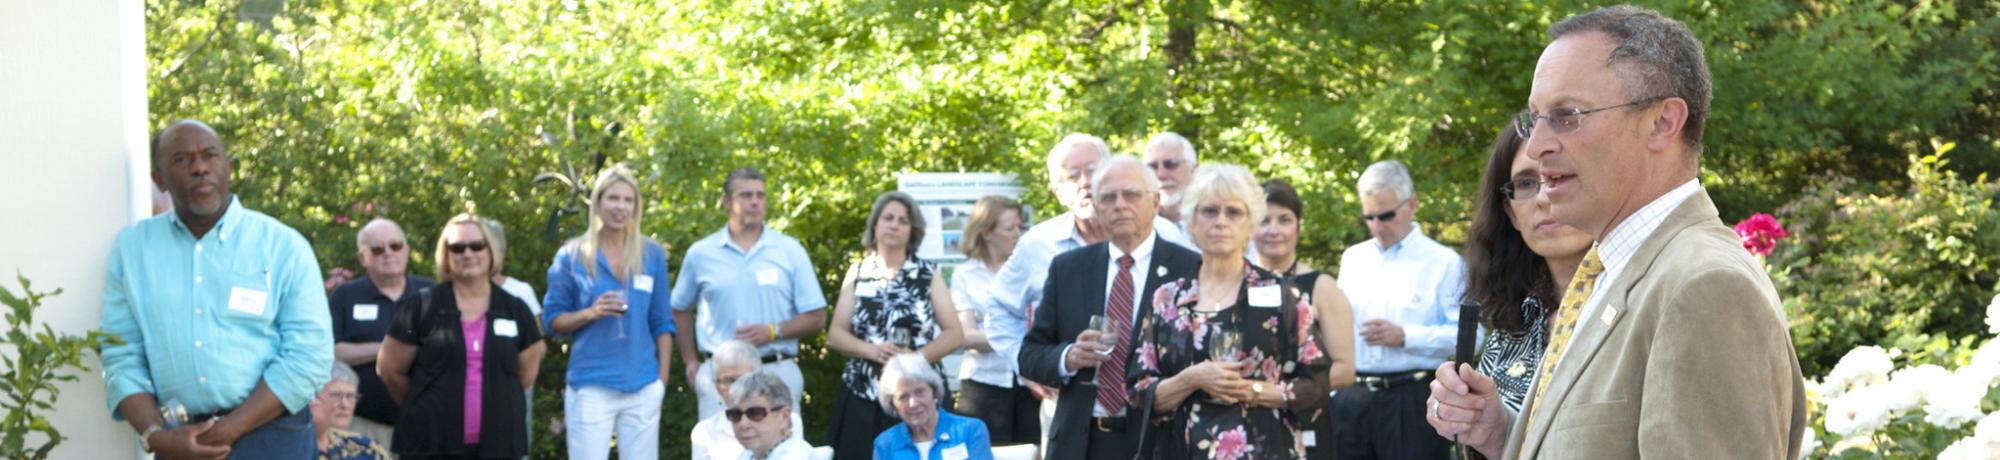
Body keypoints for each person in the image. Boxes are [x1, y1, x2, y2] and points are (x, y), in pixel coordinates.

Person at [1430, 6, 1808, 459]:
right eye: (1537, 119)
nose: (1537, 145)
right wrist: (1504, 436)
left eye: (1567, 115)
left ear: (1662, 122)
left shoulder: (1705, 285)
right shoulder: (1615, 270)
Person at [101, 119, 334, 459]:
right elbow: (120, 354)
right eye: (182, 159)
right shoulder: (133, 250)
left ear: (229, 168)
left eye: (209, 156)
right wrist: (154, 435)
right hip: (177, 443)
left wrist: (228, 429)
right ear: (159, 179)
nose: (199, 168)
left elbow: (309, 356)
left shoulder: (283, 246)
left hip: (273, 438)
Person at [984, 135, 1192, 451]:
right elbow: (1017, 332)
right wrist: (1058, 360)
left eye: (1130, 194)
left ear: (1153, 202)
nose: (1119, 204)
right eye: (1072, 176)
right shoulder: (1053, 257)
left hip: (1159, 432)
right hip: (1077, 430)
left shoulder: (1180, 256)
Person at [1127, 163, 1331, 458]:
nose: (1221, 221)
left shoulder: (1284, 296)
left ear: (1250, 225)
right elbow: (1138, 391)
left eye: (1233, 212)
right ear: (1192, 223)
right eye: (1209, 211)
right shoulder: (1166, 299)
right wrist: (1192, 378)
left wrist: (1251, 391)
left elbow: (1316, 385)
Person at [1422, 128, 1593, 452]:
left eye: (1559, 176)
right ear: (1511, 212)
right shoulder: (1513, 325)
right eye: (1527, 183)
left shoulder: (1638, 304)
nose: (1544, 197)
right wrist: (1489, 434)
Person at [378, 213, 547, 459]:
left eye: (477, 245)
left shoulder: (516, 309)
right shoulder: (421, 307)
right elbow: (389, 369)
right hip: (430, 444)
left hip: (499, 444)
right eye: (457, 248)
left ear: (491, 251)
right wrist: (425, 406)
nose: (467, 254)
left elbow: (525, 374)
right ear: (446, 256)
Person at [1329, 159, 1466, 459]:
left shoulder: (1443, 262)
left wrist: (1406, 336)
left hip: (1412, 398)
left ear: (1412, 205)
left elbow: (1472, 337)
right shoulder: (1353, 258)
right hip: (1353, 397)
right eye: (1369, 217)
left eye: (1386, 215)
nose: (1377, 226)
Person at [541, 164, 678, 460]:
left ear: (637, 207)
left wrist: (661, 381)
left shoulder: (651, 253)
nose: (621, 207)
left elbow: (662, 321)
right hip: (591, 384)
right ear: (598, 203)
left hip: (642, 383)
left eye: (628, 200)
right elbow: (551, 321)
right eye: (613, 199)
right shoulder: (573, 254)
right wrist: (591, 313)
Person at [673, 167, 827, 418]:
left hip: (777, 370)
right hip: (719, 378)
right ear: (727, 202)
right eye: (746, 195)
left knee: (784, 454)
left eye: (760, 195)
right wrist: (691, 361)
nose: (755, 202)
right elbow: (678, 307)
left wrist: (772, 331)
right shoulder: (701, 253)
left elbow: (817, 317)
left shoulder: (789, 250)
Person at [826, 191, 967, 460]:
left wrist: (914, 360)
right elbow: (835, 335)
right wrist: (871, 350)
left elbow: (954, 334)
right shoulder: (857, 272)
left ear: (912, 231)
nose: (894, 225)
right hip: (863, 393)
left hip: (918, 394)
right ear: (875, 224)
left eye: (902, 221)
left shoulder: (928, 273)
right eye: (888, 218)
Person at [1251, 178, 1359, 459]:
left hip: (1305, 422)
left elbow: (1345, 371)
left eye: (1284, 220)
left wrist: (1274, 391)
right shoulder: (1237, 286)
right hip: (1246, 423)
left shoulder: (1322, 287)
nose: (1273, 230)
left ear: (1298, 226)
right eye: (1264, 220)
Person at [329, 218, 438, 446]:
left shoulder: (430, 293)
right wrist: (391, 349)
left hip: (422, 423)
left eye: (395, 245)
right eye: (378, 249)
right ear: (363, 258)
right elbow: (332, 352)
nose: (389, 253)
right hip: (361, 425)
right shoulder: (345, 296)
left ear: (407, 251)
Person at [949, 195, 1039, 446]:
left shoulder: (1032, 270)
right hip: (982, 385)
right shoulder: (965, 274)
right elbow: (966, 336)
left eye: (1020, 227)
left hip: (1030, 381)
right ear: (986, 232)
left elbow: (1044, 328)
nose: (1017, 234)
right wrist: (1018, 335)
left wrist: (990, 333)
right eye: (1009, 228)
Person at [692, 340, 806, 460]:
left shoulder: (787, 419)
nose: (735, 386)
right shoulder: (704, 432)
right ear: (716, 386)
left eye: (756, 413)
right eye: (727, 380)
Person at [874, 353, 996, 460]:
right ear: (893, 405)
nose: (913, 403)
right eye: (903, 397)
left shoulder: (970, 430)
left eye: (920, 392)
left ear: (934, 392)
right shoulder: (885, 444)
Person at [726, 370, 813, 460]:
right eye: (735, 414)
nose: (743, 424)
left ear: (784, 416)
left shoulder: (795, 455)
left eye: (756, 413)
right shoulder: (748, 455)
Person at [314, 364, 391, 460]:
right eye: (337, 395)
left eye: (350, 396)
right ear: (314, 398)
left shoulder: (367, 448)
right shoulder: (295, 448)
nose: (344, 405)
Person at [482, 217, 543, 316]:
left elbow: (537, 330)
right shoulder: (453, 294)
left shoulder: (521, 291)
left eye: (492, 251)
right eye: (477, 247)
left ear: (503, 252)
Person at [1142, 132, 1198, 227]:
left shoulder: (1215, 220)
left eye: (1171, 164)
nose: (1161, 174)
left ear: (1192, 171)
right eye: (1152, 167)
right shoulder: (1137, 228)